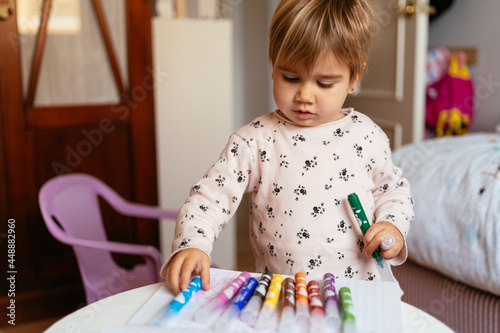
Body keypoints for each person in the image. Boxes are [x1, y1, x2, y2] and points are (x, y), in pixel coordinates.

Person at [162, 0, 414, 294]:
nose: (305, 95)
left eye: (325, 83)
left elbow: (393, 191)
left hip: (358, 292)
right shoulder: (254, 140)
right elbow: (210, 198)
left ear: (354, 77)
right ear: (273, 65)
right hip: (283, 293)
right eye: (291, 78)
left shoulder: (367, 136)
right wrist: (193, 243)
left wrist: (392, 226)